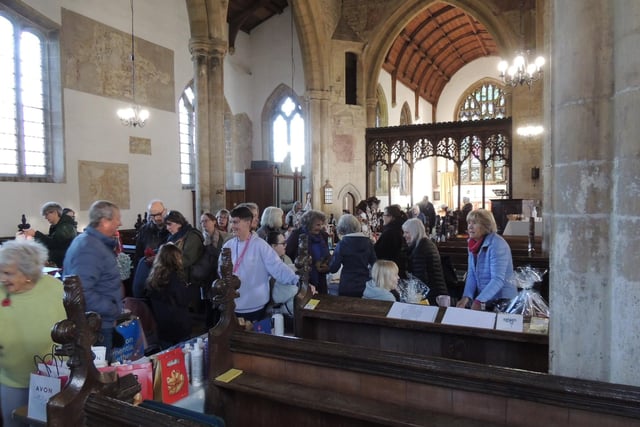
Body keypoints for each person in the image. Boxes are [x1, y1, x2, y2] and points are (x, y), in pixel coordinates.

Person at [0, 240, 66, 427]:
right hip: (11, 379)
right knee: (13, 423)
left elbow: (72, 325)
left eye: (8, 273)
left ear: (28, 273)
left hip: (52, 377)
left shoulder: (55, 288)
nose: (2, 278)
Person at [63, 200, 123, 361]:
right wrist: (111, 309)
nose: (120, 222)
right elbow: (81, 292)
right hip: (96, 326)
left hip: (101, 323)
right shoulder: (89, 248)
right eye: (117, 218)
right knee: (100, 376)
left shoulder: (94, 244)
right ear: (104, 221)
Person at [221, 206, 300, 321]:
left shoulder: (260, 245)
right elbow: (221, 271)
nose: (232, 226)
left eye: (236, 222)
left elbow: (278, 268)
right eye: (231, 222)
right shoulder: (228, 246)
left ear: (248, 222)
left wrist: (297, 281)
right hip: (233, 305)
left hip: (255, 306)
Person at [456, 209, 517, 311]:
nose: (470, 227)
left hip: (502, 300)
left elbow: (497, 279)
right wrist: (466, 297)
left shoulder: (497, 244)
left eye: (474, 223)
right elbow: (471, 274)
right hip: (486, 298)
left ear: (485, 226)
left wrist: (479, 300)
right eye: (469, 223)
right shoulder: (472, 244)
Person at [145, 243, 192, 347]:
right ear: (175, 259)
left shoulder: (153, 277)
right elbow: (184, 300)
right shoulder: (175, 278)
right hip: (179, 326)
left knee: (166, 358)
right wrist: (187, 288)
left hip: (162, 326)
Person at [402, 218, 449, 306]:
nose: (404, 235)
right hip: (437, 292)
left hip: (432, 295)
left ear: (414, 232)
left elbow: (420, 279)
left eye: (407, 232)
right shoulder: (425, 244)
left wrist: (414, 297)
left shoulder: (421, 248)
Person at [328, 214, 377, 297]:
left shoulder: (342, 244)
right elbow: (375, 263)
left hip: (348, 283)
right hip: (365, 283)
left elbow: (333, 268)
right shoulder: (368, 242)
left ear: (342, 228)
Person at [285, 210, 331, 294]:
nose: (320, 227)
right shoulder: (297, 235)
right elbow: (288, 253)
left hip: (320, 277)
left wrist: (325, 263)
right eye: (318, 225)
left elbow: (326, 254)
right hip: (304, 277)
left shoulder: (323, 235)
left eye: (321, 224)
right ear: (309, 224)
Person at [20, 201, 77, 267]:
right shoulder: (56, 226)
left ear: (55, 212)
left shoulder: (66, 227)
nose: (46, 217)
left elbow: (56, 245)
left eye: (47, 214)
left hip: (66, 263)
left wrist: (36, 234)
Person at [374, 204, 409, 279]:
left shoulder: (391, 231)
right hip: (397, 267)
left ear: (391, 217)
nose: (383, 217)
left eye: (384, 215)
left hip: (390, 269)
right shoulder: (399, 227)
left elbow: (380, 251)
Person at [267, 231, 297, 316]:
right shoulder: (265, 264)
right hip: (275, 305)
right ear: (273, 246)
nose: (286, 245)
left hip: (288, 302)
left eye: (286, 243)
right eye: (283, 243)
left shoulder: (286, 258)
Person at [134, 199, 170, 266]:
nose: (156, 218)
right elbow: (138, 255)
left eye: (159, 214)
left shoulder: (172, 228)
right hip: (149, 270)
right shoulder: (144, 230)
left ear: (165, 211)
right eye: (152, 216)